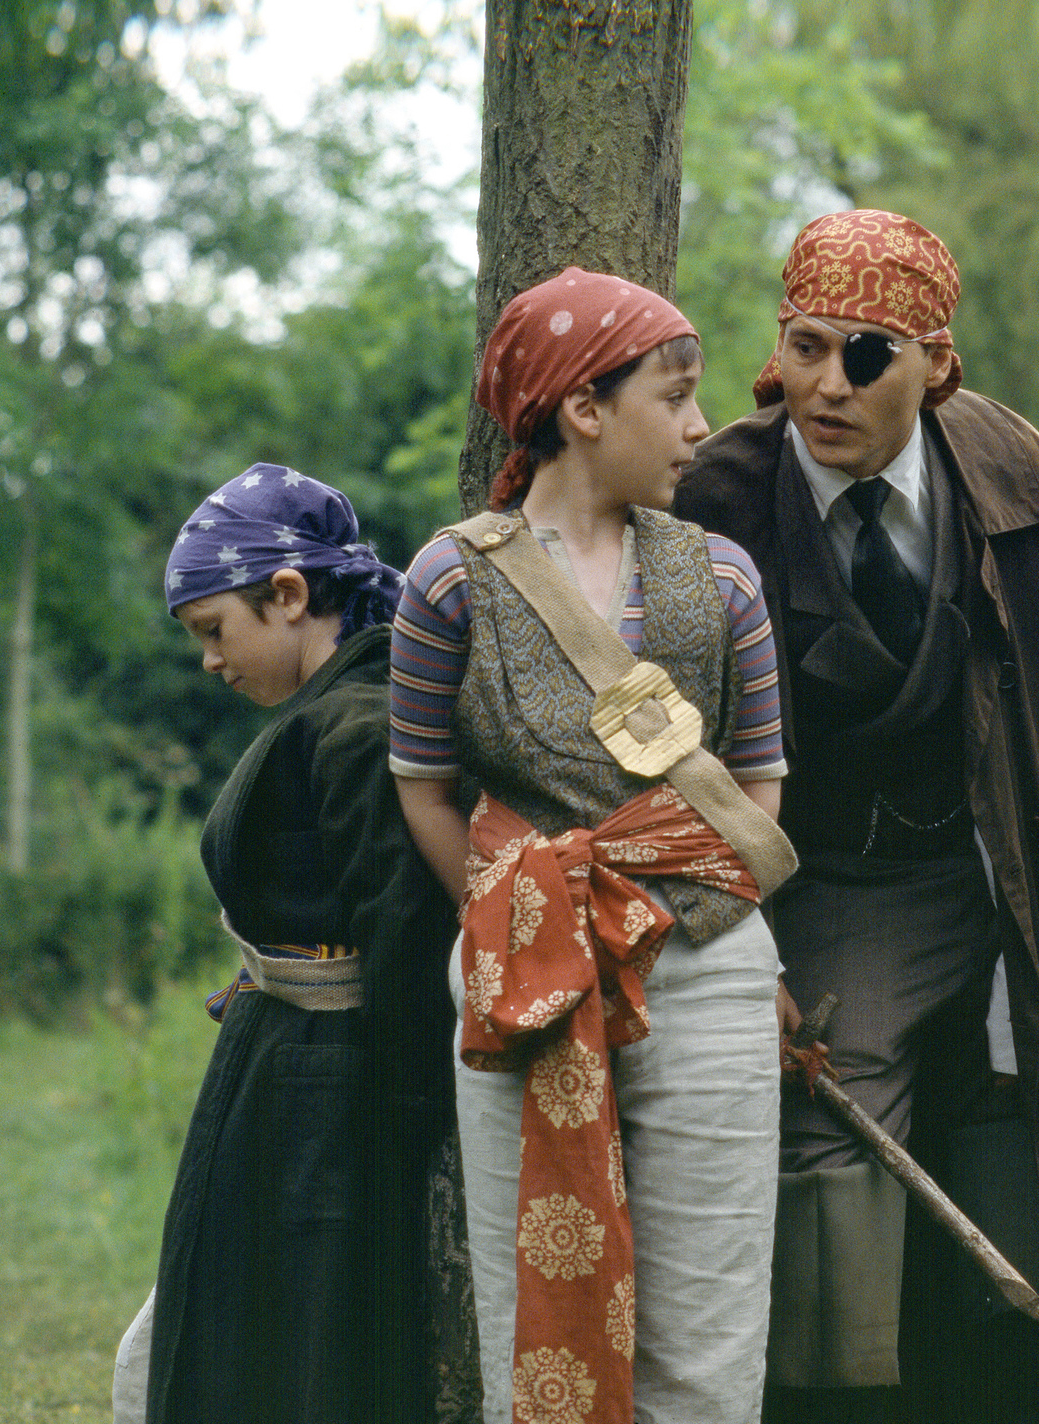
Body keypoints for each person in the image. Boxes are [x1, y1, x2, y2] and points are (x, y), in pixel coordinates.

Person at [675, 209, 1039, 1424]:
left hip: (1000, 871)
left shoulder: (1010, 468)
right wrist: (735, 948)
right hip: (824, 886)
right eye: (803, 345)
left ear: (937, 363)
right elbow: (663, 761)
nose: (826, 384)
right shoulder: (714, 496)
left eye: (866, 354)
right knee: (834, 1173)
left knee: (1028, 1160)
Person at [387, 268, 796, 1424]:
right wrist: (519, 908)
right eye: (672, 397)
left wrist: (675, 920)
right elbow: (422, 785)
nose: (698, 426)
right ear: (582, 408)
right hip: (525, 974)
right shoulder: (447, 580)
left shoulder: (722, 577)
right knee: (528, 1296)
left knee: (710, 1318)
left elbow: (757, 788)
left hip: (706, 965)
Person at [113, 466, 460, 1424]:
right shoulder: (332, 713)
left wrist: (406, 1112)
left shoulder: (355, 724)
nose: (210, 662)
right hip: (293, 1073)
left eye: (215, 630)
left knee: (308, 1348)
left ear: (291, 595)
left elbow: (401, 927)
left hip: (333, 1096)